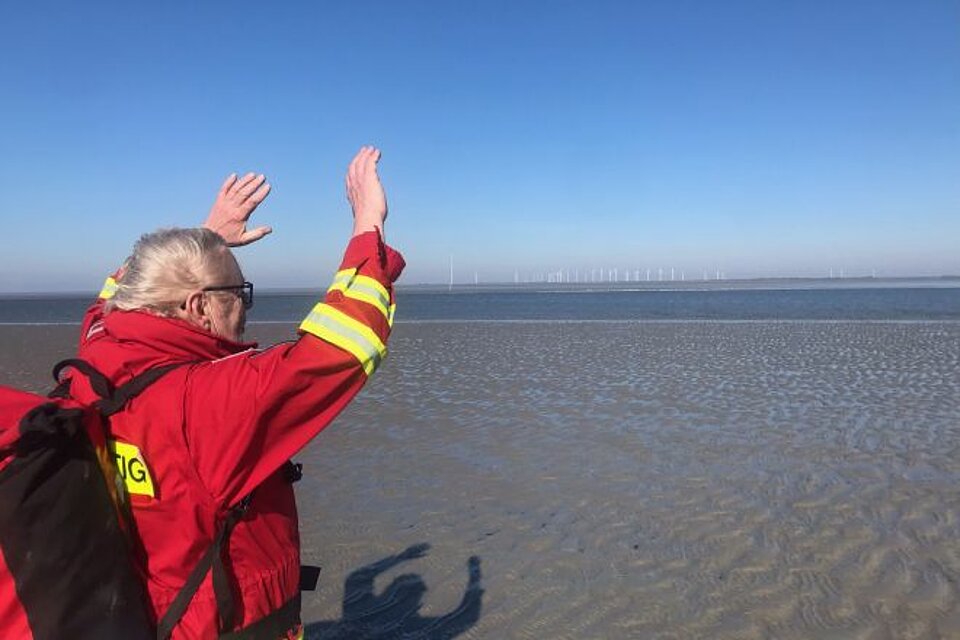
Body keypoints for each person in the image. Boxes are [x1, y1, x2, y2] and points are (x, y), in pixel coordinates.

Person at [65, 146, 404, 639]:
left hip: (141, 612)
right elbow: (343, 349)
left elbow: (115, 293)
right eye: (238, 295)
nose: (245, 310)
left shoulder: (96, 353)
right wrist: (368, 224)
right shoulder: (204, 402)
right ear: (200, 306)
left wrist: (204, 242)